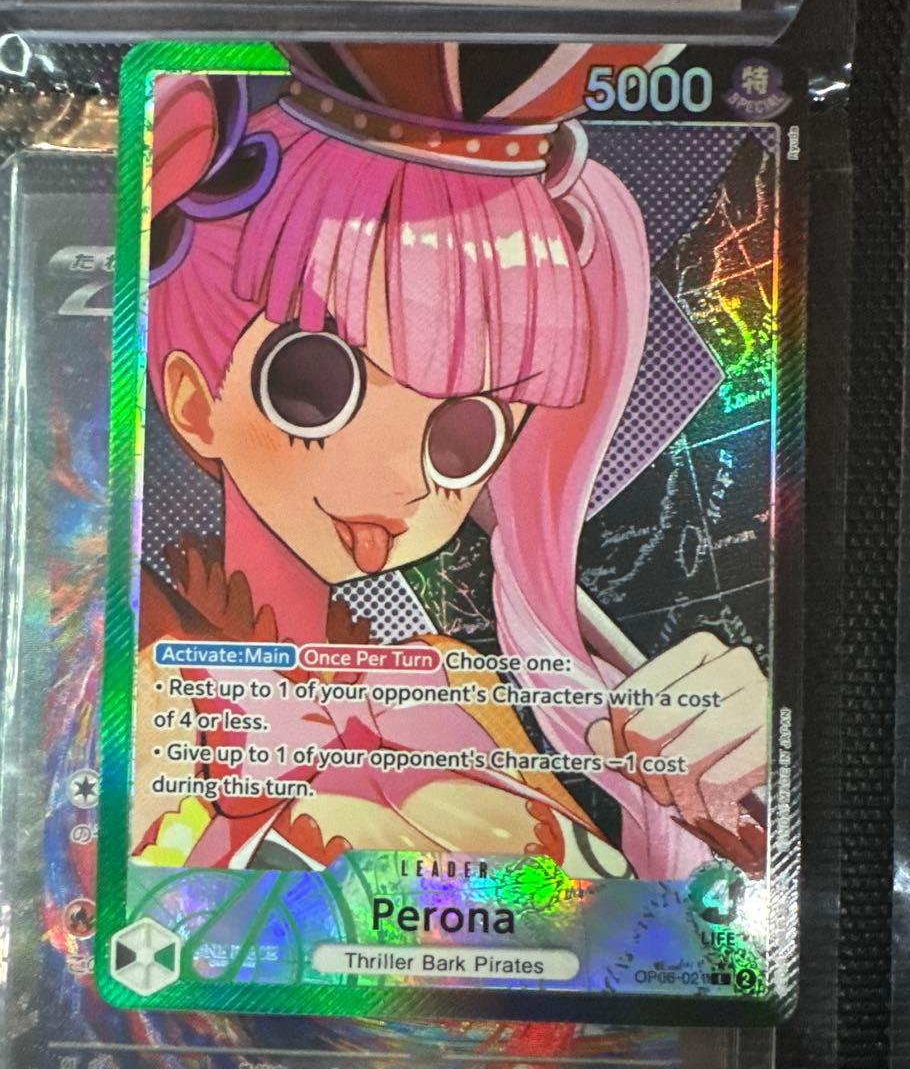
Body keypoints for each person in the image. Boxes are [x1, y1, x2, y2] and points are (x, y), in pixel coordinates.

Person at [135, 43, 767, 880]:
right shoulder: (144, 696)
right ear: (192, 402)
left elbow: (649, 932)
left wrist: (714, 806)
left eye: (462, 437)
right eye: (317, 387)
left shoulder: (452, 686)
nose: (404, 482)